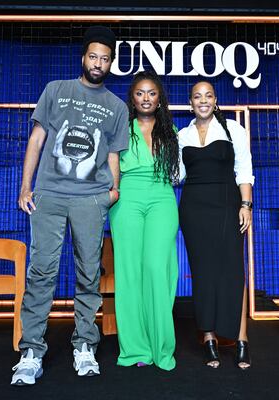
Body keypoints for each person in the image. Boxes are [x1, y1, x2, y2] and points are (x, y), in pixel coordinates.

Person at [11, 26, 129, 386]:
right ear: (83, 57)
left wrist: (113, 192)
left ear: (111, 62)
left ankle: (84, 346)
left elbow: (113, 155)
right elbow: (37, 138)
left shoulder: (116, 106)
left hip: (91, 200)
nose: (98, 63)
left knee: (88, 274)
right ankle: (31, 351)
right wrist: (26, 186)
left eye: (105, 58)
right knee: (41, 272)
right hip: (49, 195)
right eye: (93, 56)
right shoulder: (56, 90)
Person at [177, 81, 254, 370]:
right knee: (203, 272)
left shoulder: (233, 129)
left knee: (234, 271)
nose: (203, 100)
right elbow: (177, 175)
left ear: (216, 99)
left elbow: (244, 169)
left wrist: (245, 205)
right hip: (194, 209)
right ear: (191, 102)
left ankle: (242, 339)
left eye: (208, 95)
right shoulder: (183, 135)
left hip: (227, 205)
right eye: (197, 96)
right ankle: (208, 337)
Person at [109, 70, 180, 371]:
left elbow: (177, 174)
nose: (146, 98)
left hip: (163, 197)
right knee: (128, 272)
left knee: (157, 268)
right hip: (127, 198)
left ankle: (161, 346)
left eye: (152, 93)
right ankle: (136, 348)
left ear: (159, 98)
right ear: (133, 98)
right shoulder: (121, 127)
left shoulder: (171, 130)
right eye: (140, 93)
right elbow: (110, 164)